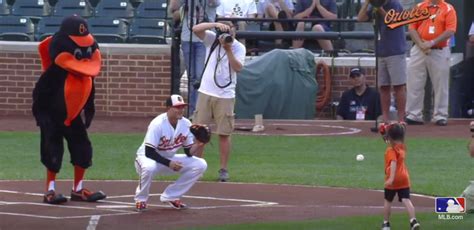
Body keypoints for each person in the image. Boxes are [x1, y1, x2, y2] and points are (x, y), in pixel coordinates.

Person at [32, 15, 106, 204]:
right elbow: (40, 94)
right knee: (52, 150)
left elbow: (89, 93)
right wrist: (42, 116)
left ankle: (78, 190)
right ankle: (50, 191)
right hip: (53, 116)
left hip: (72, 117)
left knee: (83, 149)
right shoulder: (54, 75)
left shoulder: (86, 75)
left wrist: (89, 110)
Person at [192, 21, 246, 182]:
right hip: (206, 91)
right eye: (226, 30)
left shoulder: (239, 47)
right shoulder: (212, 39)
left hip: (226, 94)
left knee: (224, 133)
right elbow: (195, 29)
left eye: (231, 30)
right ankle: (197, 168)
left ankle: (223, 169)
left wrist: (228, 49)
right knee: (199, 132)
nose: (228, 33)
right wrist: (215, 24)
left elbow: (238, 68)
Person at [134, 95, 207, 211]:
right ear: (168, 108)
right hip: (146, 159)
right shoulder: (157, 124)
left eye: (182, 107)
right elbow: (149, 152)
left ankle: (171, 196)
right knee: (149, 168)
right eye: (177, 107)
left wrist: (197, 144)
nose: (181, 110)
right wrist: (169, 163)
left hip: (167, 159)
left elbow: (188, 152)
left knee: (200, 164)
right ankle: (141, 199)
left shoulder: (186, 124)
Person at [406, 0, 457, 126]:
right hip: (419, 49)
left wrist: (432, 42)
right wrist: (421, 44)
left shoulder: (448, 8)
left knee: (441, 84)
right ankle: (413, 114)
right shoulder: (419, 6)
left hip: (439, 50)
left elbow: (450, 30)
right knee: (414, 82)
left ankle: (440, 115)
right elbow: (412, 28)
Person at [357, 0, 407, 124]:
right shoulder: (376, 5)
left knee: (398, 86)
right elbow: (360, 18)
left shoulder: (395, 4)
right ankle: (385, 117)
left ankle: (401, 118)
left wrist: (377, 7)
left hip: (395, 50)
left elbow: (391, 21)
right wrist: (367, 3)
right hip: (381, 51)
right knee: (383, 86)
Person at [169, 0, 221, 116]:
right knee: (192, 77)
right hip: (187, 38)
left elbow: (214, 2)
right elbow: (173, 8)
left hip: (205, 39)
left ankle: (200, 111)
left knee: (200, 76)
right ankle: (193, 111)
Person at [381, 122, 420, 230]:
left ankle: (386, 224)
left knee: (388, 201)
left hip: (393, 179)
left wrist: (391, 178)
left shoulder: (390, 150)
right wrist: (387, 133)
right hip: (404, 178)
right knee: (406, 199)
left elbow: (393, 162)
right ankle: (413, 220)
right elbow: (391, 139)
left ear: (390, 137)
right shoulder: (403, 147)